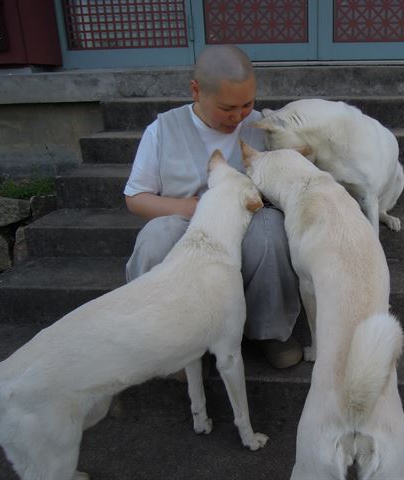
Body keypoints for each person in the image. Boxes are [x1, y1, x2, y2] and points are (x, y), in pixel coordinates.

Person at [123, 44, 302, 369]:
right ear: (196, 91)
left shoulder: (264, 126)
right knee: (156, 237)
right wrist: (187, 207)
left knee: (271, 231)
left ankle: (270, 332)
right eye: (227, 107)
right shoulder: (162, 130)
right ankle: (169, 341)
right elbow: (136, 198)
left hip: (248, 224)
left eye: (247, 104)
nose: (238, 116)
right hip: (188, 225)